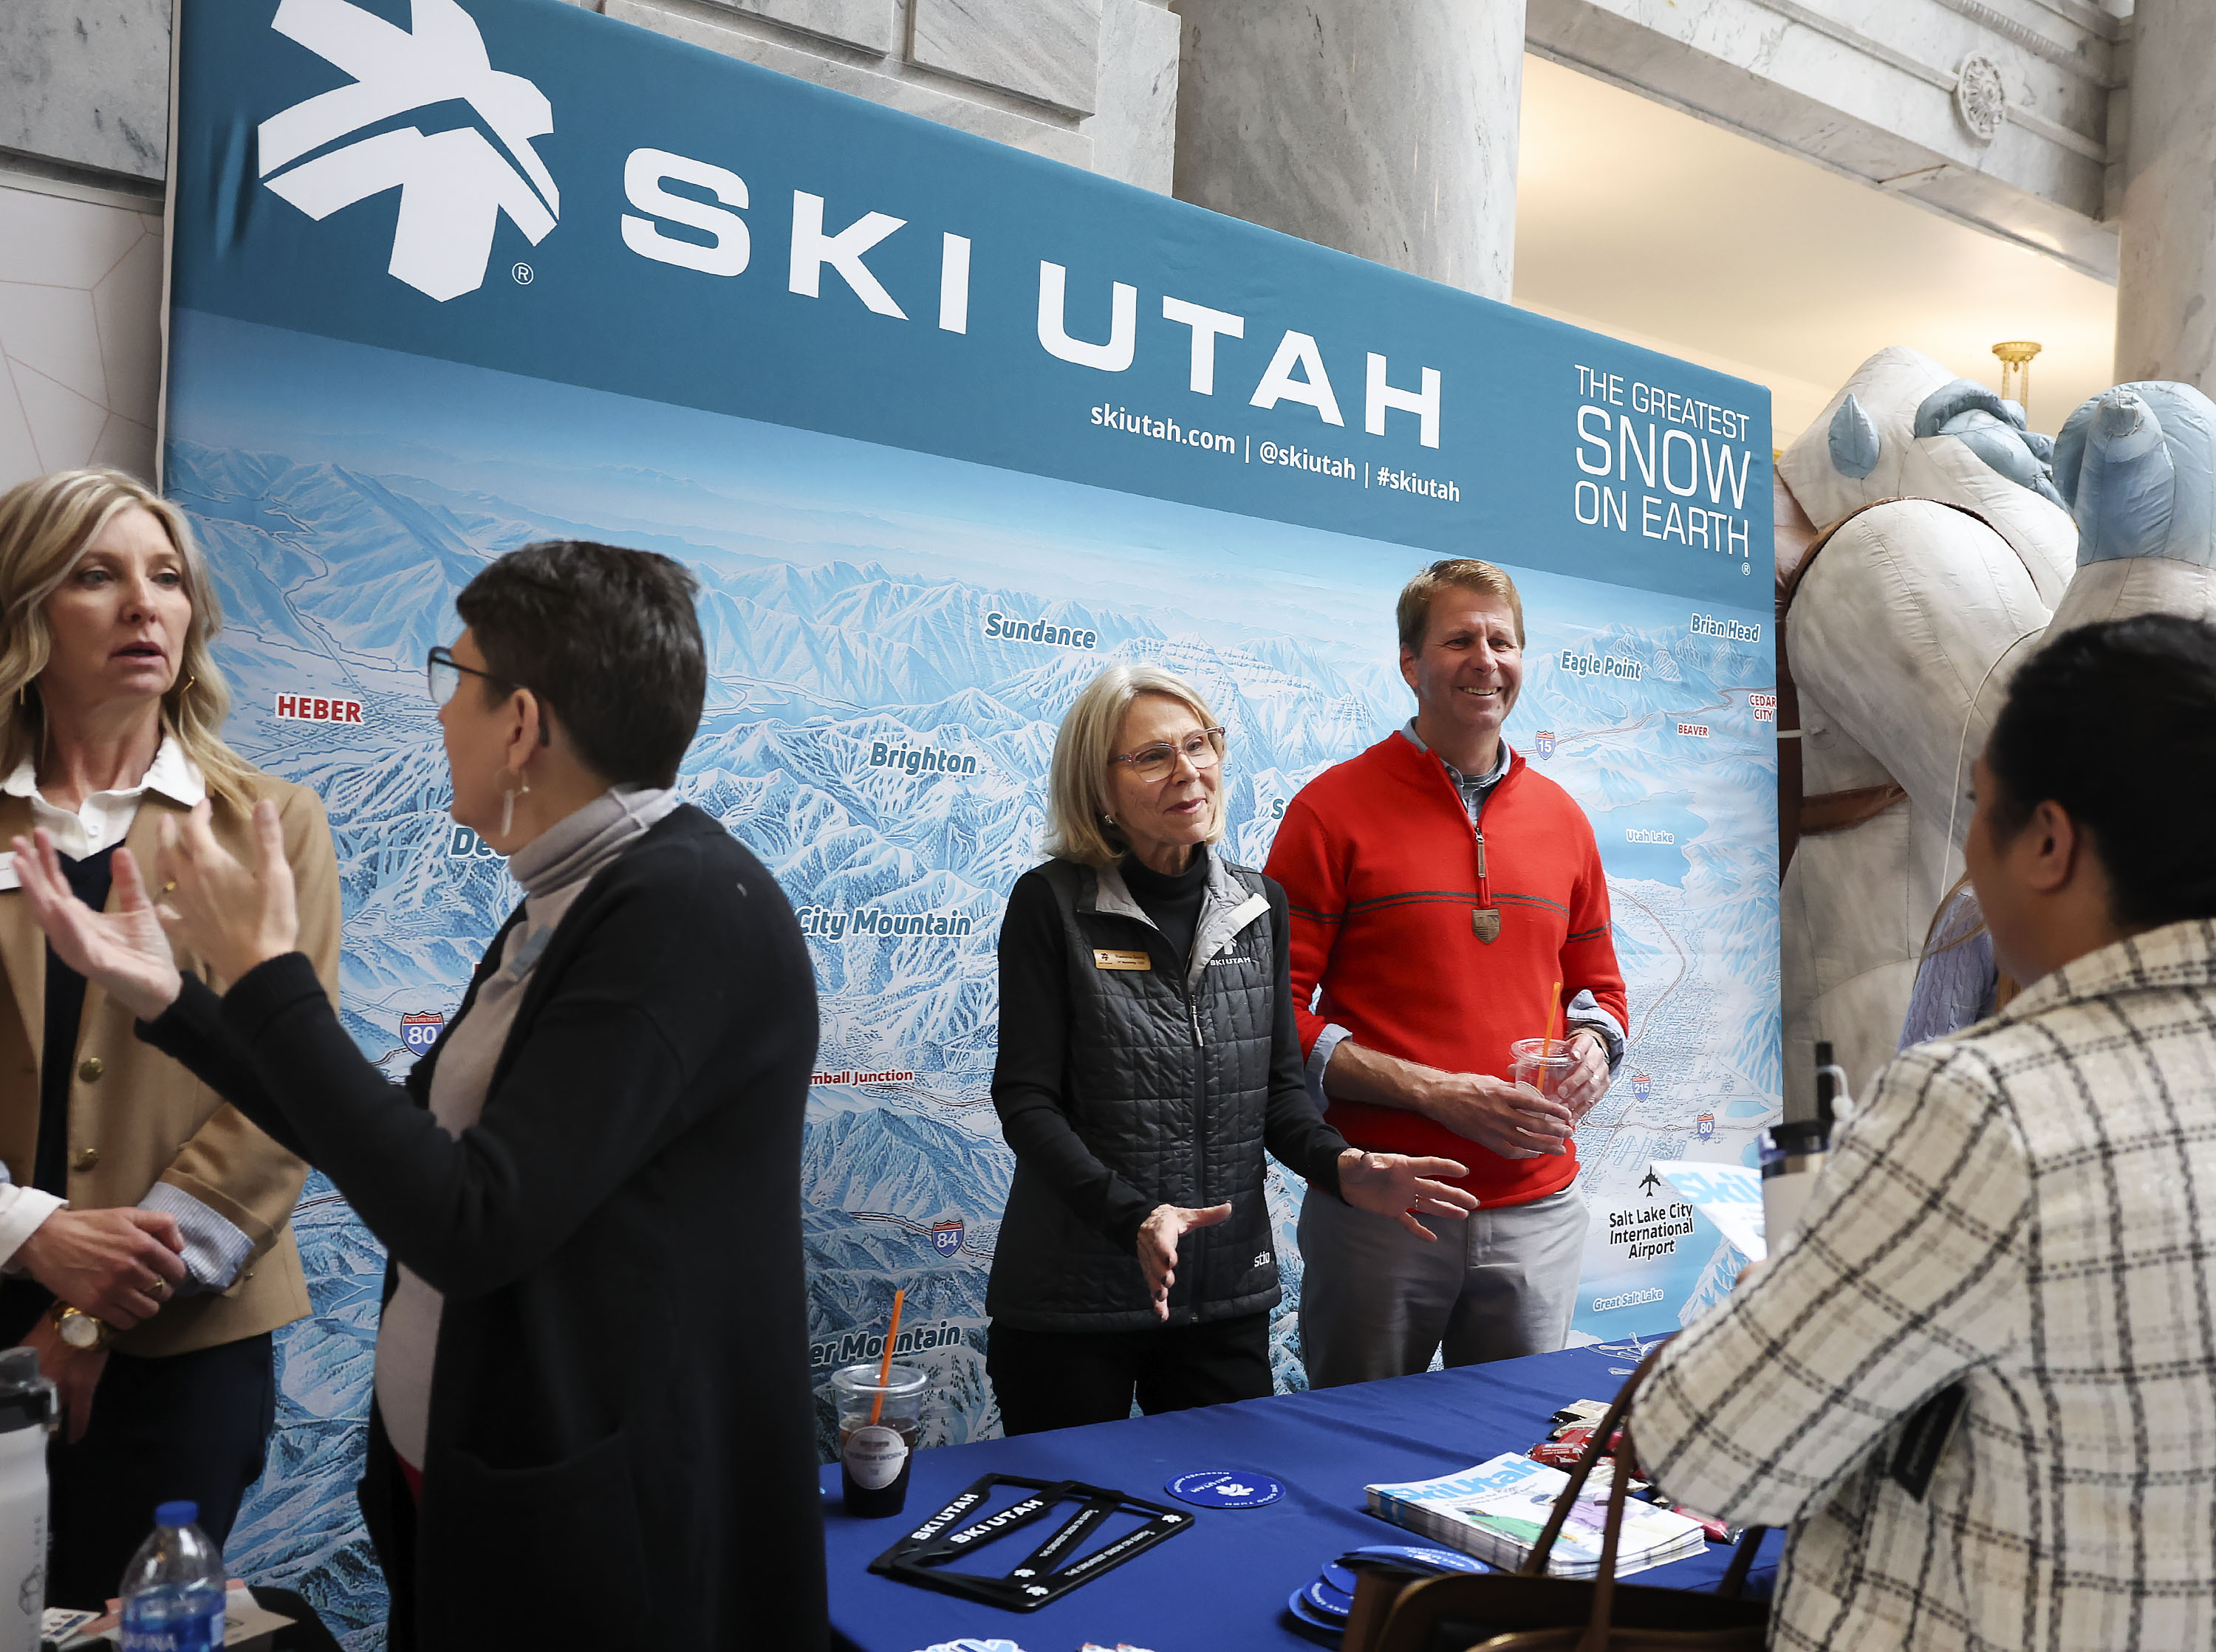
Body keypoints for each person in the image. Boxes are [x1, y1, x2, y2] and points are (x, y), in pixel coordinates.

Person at [16, 541, 827, 1651]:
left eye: (456, 677)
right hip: (499, 1506)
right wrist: (176, 1001)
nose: (439, 713)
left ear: (523, 726)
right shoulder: (574, 897)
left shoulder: (680, 910)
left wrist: (270, 983)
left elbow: (470, 1221)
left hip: (609, 1548)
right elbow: (398, 1141)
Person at [1634, 614, 2216, 1651]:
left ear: (2047, 840)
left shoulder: (1992, 1109)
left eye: (1978, 813)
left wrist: (1802, 1257)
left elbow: (1709, 1446)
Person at [0, 468, 339, 1607]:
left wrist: (94, 1308)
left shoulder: (269, 824)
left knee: (133, 1628)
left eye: (168, 577)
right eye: (97, 575)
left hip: (185, 1347)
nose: (146, 605)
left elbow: (285, 1099)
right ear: (27, 610)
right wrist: (32, 1232)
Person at [985, 664, 1479, 1434]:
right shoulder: (1051, 903)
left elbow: (1281, 1094)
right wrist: (1135, 1215)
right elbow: (1026, 1099)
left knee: (1231, 1516)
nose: (1189, 771)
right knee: (1071, 1529)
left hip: (1222, 1295)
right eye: (1153, 756)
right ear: (1098, 787)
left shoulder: (1259, 904)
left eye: (1200, 744)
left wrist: (1345, 1166)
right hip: (1074, 1301)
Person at [1265, 558, 1629, 1386]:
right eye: (1459, 638)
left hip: (1538, 1208)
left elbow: (1601, 992)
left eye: (1502, 640)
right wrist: (1434, 1091)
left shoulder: (1564, 820)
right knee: (1353, 1449)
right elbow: (1271, 1012)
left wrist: (1596, 1049)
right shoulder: (1331, 809)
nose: (1485, 658)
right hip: (1387, 1205)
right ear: (1409, 664)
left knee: (1516, 1465)